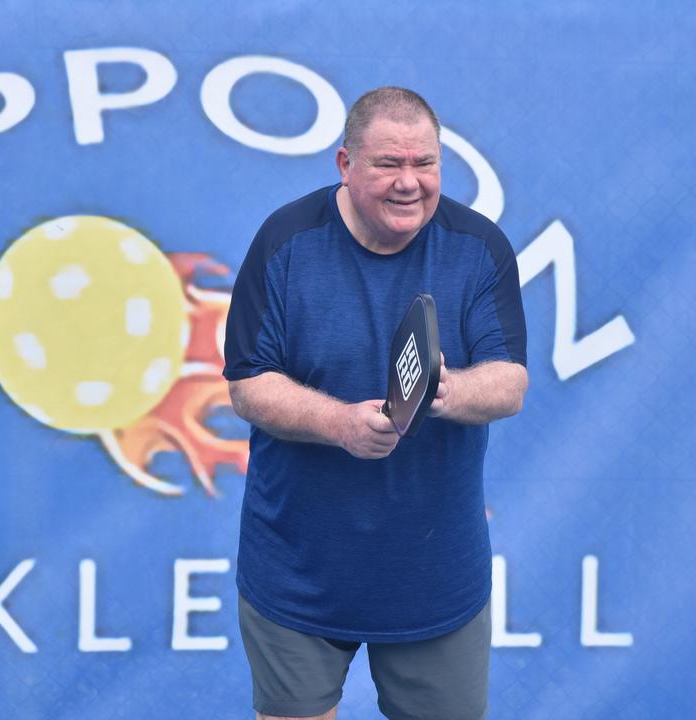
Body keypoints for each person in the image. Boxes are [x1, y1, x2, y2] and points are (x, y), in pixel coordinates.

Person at [222, 87, 528, 720]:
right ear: (344, 164)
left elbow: (510, 382)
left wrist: (440, 389)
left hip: (436, 571)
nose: (409, 183)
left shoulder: (480, 249)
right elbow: (248, 383)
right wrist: (340, 424)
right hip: (298, 569)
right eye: (389, 164)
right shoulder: (284, 243)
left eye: (425, 164)